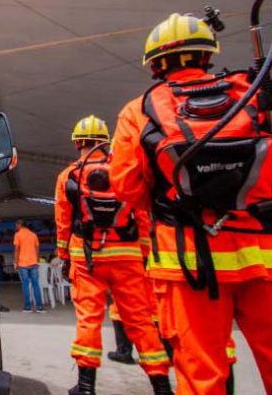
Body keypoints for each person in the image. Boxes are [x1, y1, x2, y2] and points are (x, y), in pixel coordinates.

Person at [110, 12, 272, 394]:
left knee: (201, 377)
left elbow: (127, 187)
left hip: (188, 261)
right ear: (207, 54)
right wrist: (265, 202)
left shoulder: (141, 109)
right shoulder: (257, 97)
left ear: (154, 62)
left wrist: (176, 207)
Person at [55, 115, 172, 395]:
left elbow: (63, 220)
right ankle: (162, 386)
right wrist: (144, 254)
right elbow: (142, 215)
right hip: (127, 256)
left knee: (88, 319)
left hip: (87, 258)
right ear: (105, 142)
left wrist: (64, 257)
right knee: (141, 322)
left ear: (77, 142)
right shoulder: (124, 171)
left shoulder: (69, 175)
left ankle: (85, 387)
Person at [13, 219, 45, 313]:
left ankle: (27, 308)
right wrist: (37, 261)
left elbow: (16, 249)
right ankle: (40, 308)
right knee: (36, 285)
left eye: (16, 225)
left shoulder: (18, 235)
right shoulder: (33, 234)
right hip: (34, 263)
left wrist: (15, 262)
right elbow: (37, 249)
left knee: (25, 285)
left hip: (23, 264)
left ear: (20, 224)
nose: (15, 227)